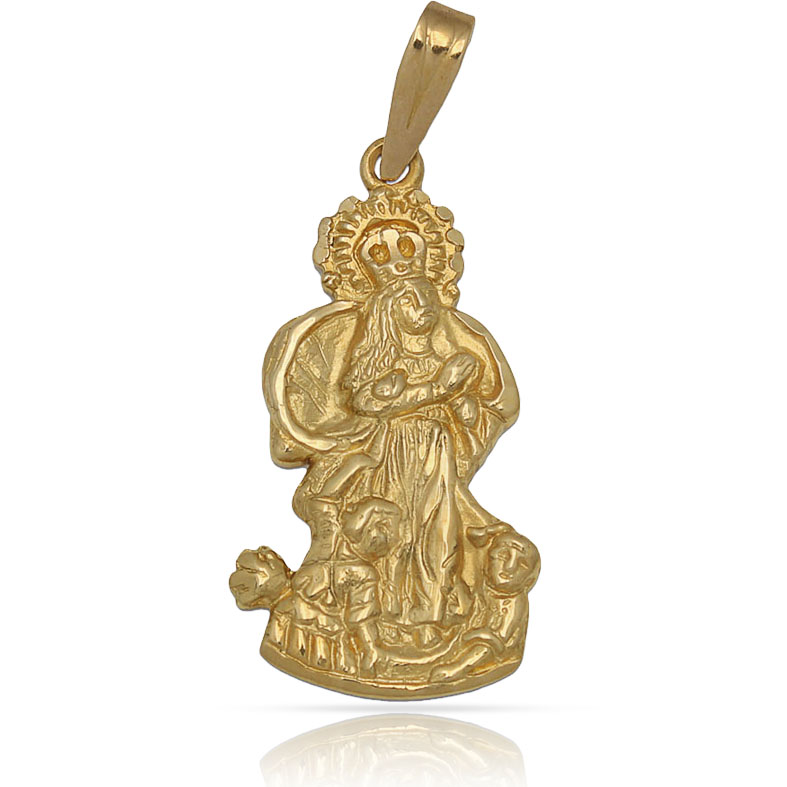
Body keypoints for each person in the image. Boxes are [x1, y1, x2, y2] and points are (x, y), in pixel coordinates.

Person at [430, 523, 540, 682]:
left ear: (528, 579)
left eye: (522, 565)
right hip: (462, 631)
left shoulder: (514, 602)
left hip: (484, 646)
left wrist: (475, 636)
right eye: (503, 557)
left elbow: (498, 641)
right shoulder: (482, 584)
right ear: (487, 560)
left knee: (482, 647)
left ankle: (458, 667)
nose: (510, 568)